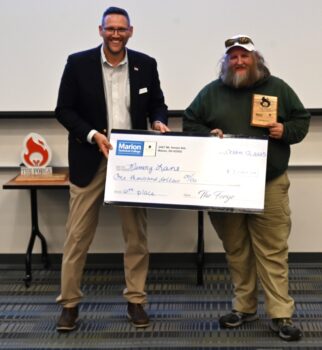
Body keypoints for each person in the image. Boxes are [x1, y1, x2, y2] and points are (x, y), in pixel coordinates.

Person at [183, 34, 310, 341]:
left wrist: (284, 130)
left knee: (272, 250)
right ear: (226, 62)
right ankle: (245, 306)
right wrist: (206, 133)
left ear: (256, 59)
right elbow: (190, 122)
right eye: (233, 57)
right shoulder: (211, 92)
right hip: (224, 186)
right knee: (237, 249)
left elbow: (301, 120)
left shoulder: (277, 88)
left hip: (269, 183)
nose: (239, 61)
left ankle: (281, 314)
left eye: (245, 56)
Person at [55, 6, 169, 331]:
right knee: (77, 237)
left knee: (136, 237)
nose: (116, 34)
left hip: (132, 162)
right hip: (90, 158)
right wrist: (93, 135)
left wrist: (159, 120)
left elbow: (157, 101)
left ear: (130, 31)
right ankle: (69, 306)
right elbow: (63, 109)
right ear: (100, 30)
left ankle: (136, 300)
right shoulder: (78, 64)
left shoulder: (146, 65)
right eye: (110, 29)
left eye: (121, 29)